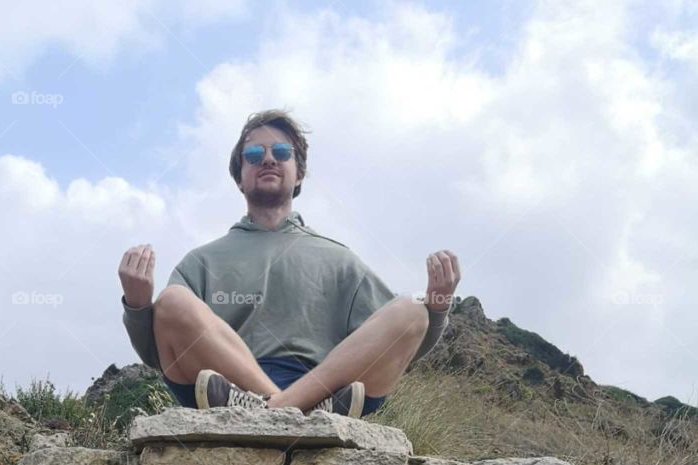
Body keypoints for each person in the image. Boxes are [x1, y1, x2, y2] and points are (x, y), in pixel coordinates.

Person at [118, 107, 460, 418]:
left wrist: (438, 304)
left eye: (281, 152)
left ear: (299, 175)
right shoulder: (202, 261)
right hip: (222, 392)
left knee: (413, 309)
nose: (267, 159)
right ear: (239, 177)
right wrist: (137, 304)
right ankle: (286, 408)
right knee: (172, 300)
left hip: (327, 388)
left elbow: (402, 345)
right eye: (254, 154)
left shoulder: (339, 261)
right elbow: (158, 352)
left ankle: (275, 408)